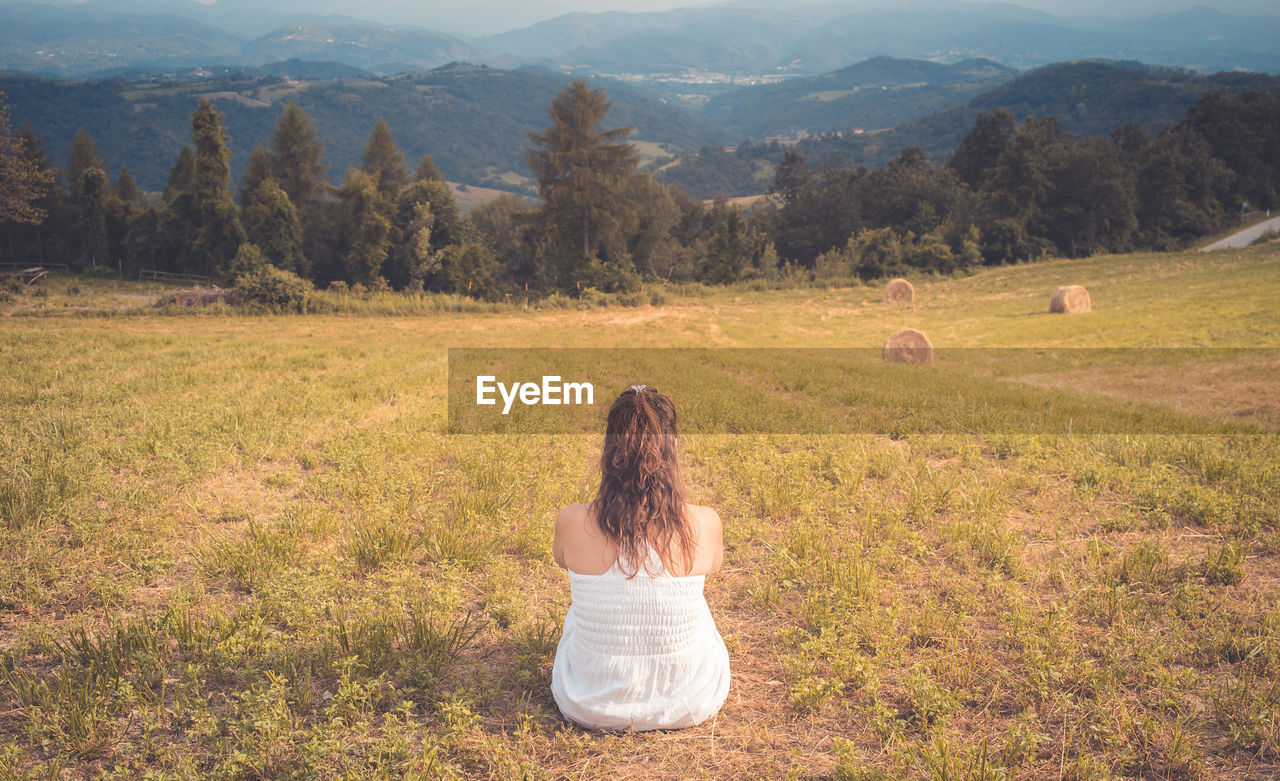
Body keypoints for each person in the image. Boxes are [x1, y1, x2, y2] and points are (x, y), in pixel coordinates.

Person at [551, 384, 731, 731]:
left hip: (586, 702)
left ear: (608, 449)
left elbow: (563, 559)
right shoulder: (705, 522)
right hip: (690, 701)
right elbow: (715, 565)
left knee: (581, 609)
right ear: (673, 447)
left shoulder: (571, 520)